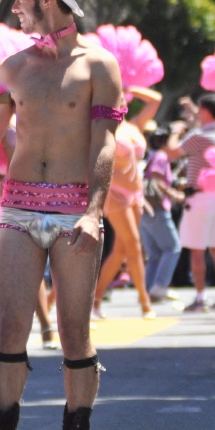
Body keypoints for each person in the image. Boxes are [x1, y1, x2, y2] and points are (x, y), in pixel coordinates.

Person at [0, 0, 123, 430]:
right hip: (17, 211)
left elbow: (103, 144)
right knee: (11, 326)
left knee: (74, 332)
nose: (15, 6)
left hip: (74, 216)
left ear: (50, 0)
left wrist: (93, 212)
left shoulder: (99, 67)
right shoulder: (11, 68)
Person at [91, 102, 155, 319]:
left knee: (121, 251)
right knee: (134, 245)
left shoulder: (135, 125)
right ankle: (145, 302)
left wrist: (132, 85)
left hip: (136, 195)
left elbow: (155, 100)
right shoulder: (103, 127)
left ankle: (95, 300)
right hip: (115, 193)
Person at [166, 92, 215, 312]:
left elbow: (172, 152)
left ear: (205, 111)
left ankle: (200, 298)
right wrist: (195, 112)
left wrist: (175, 132)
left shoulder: (197, 136)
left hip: (198, 198)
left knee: (196, 251)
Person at [141, 125, 183, 301]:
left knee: (155, 252)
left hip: (145, 210)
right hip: (157, 209)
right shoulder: (160, 156)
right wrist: (175, 194)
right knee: (173, 248)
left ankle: (148, 290)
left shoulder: (151, 155)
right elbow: (157, 180)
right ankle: (160, 286)